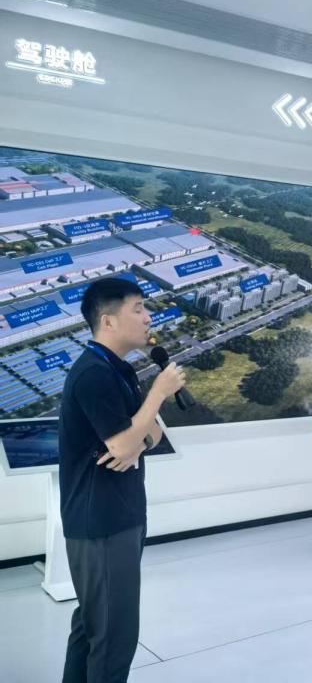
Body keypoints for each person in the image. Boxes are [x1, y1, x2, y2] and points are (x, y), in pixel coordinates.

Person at [59, 278, 187, 683]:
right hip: (101, 522)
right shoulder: (93, 375)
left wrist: (134, 440)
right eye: (138, 309)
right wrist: (158, 394)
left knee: (93, 625)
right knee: (113, 636)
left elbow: (152, 436)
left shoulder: (118, 370)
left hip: (121, 514)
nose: (148, 317)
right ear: (108, 321)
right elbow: (125, 441)